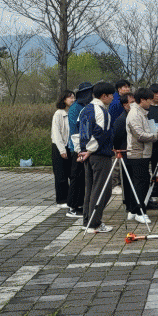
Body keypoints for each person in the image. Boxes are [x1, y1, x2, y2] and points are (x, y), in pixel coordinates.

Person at [126, 87, 158, 224]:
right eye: (149, 100)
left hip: (143, 153)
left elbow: (149, 128)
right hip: (137, 153)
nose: (151, 103)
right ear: (142, 100)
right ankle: (140, 212)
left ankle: (133, 210)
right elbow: (140, 134)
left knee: (140, 182)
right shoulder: (135, 114)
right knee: (141, 183)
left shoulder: (142, 112)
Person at [78, 82, 116, 233]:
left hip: (87, 155)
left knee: (91, 189)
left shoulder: (85, 109)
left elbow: (79, 132)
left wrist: (82, 151)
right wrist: (89, 150)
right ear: (104, 96)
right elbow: (100, 135)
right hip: (99, 155)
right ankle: (94, 223)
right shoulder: (102, 112)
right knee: (102, 190)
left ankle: (87, 222)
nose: (113, 98)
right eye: (111, 95)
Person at [65, 82, 93, 218]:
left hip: (85, 146)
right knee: (76, 177)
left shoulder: (86, 106)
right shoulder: (75, 108)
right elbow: (74, 130)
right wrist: (79, 148)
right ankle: (72, 207)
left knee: (83, 178)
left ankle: (80, 204)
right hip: (77, 147)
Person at [109, 79, 133, 195]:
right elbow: (113, 120)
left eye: (128, 87)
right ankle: (115, 184)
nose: (127, 89)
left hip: (126, 134)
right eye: (125, 87)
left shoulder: (127, 99)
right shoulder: (115, 102)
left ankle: (122, 183)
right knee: (117, 160)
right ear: (119, 89)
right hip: (118, 132)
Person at [51, 90, 75, 209]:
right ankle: (61, 200)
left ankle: (70, 198)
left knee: (71, 173)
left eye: (74, 97)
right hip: (59, 146)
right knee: (61, 175)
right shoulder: (59, 114)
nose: (73, 100)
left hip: (70, 146)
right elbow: (56, 134)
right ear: (64, 99)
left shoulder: (71, 112)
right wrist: (62, 150)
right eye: (70, 97)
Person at [113, 92, 135, 217]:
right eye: (132, 103)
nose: (134, 105)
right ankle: (129, 204)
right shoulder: (121, 120)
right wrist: (119, 150)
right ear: (125, 105)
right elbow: (116, 138)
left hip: (134, 153)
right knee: (127, 180)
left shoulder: (133, 116)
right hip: (125, 153)